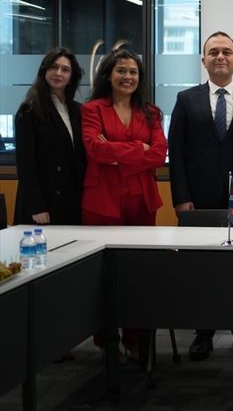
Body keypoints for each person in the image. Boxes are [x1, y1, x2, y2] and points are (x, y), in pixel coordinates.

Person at [168, 31, 233, 360]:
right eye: (214, 52)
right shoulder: (186, 99)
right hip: (198, 200)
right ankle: (203, 333)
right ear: (203, 60)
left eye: (227, 52)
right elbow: (176, 153)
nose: (221, 57)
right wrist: (181, 197)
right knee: (202, 269)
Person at [81, 48, 167, 359]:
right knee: (103, 274)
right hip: (102, 202)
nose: (127, 77)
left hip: (142, 201)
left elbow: (158, 154)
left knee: (138, 272)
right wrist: (137, 149)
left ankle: (135, 338)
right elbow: (94, 149)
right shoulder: (92, 110)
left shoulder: (152, 113)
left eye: (133, 72)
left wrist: (116, 153)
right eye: (121, 71)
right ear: (108, 75)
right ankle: (106, 340)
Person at [14, 47, 86, 226]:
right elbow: (25, 164)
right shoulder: (29, 110)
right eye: (54, 67)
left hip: (71, 198)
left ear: (72, 77)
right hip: (42, 204)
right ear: (44, 71)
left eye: (65, 69)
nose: (58, 73)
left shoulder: (78, 110)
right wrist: (36, 205)